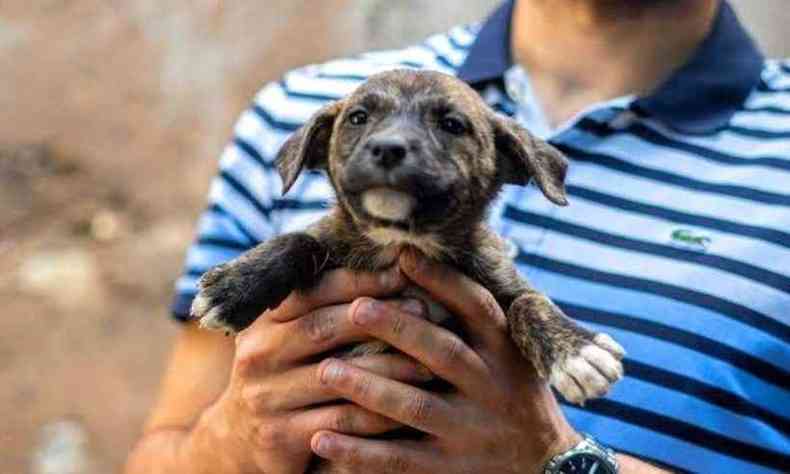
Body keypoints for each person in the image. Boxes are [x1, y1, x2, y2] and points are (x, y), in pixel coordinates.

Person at [125, 1, 790, 472]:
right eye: (365, 123)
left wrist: (562, 463)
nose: (387, 141)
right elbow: (158, 458)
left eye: (448, 127)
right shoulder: (291, 110)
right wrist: (236, 441)